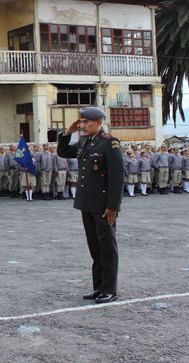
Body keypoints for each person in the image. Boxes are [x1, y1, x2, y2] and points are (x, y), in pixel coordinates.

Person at [57, 107, 124, 304]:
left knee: (107, 247)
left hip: (103, 205)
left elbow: (117, 178)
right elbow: (62, 152)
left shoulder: (109, 144)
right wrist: (67, 133)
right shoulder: (85, 141)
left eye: (87, 122)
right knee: (95, 247)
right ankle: (99, 287)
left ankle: (109, 289)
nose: (83, 125)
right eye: (81, 122)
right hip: (87, 202)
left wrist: (113, 207)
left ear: (99, 122)